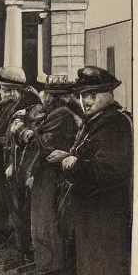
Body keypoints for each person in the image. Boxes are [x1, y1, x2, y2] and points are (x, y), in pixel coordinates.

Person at [49, 66, 133, 275]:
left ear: (109, 94)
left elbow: (108, 170)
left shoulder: (115, 123)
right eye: (83, 95)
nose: (86, 101)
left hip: (103, 218)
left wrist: (70, 162)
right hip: (90, 215)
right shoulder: (96, 120)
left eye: (92, 95)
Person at [14, 75, 82, 274]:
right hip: (46, 172)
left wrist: (20, 130)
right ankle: (43, 263)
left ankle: (49, 267)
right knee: (41, 221)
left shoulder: (61, 113)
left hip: (50, 174)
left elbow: (39, 141)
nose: (43, 95)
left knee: (44, 222)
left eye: (47, 92)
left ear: (54, 96)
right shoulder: (56, 112)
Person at [0, 66, 40, 269]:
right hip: (8, 163)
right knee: (10, 206)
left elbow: (26, 139)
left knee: (21, 209)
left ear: (17, 90)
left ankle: (25, 252)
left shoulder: (29, 105)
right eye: (2, 89)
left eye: (6, 90)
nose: (2, 94)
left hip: (20, 166)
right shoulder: (8, 104)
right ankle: (15, 245)